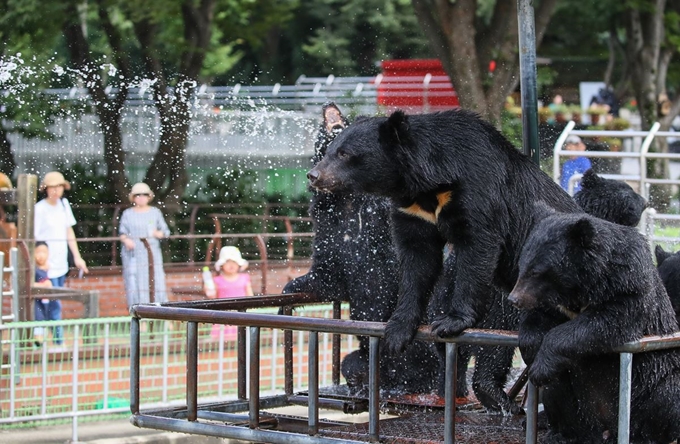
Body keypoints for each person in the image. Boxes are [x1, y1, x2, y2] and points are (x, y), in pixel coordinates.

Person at [34, 171, 89, 345]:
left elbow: (68, 231)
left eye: (59, 187)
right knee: (46, 301)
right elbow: (34, 237)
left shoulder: (64, 205)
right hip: (43, 264)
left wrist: (77, 256)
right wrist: (41, 259)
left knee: (55, 300)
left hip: (60, 262)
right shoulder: (40, 208)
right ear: (46, 189)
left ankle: (53, 338)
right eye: (52, 187)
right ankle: (49, 339)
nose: (56, 191)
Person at [119, 183, 171, 308]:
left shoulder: (155, 212)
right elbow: (122, 233)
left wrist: (157, 233)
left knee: (156, 281)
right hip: (133, 255)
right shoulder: (127, 214)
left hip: (152, 253)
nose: (141, 197)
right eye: (138, 195)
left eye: (144, 194)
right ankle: (139, 312)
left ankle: (161, 312)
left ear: (149, 197)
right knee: (134, 283)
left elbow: (166, 232)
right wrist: (127, 240)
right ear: (133, 197)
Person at [204, 246, 254, 340]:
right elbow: (213, 296)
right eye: (228, 262)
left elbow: (250, 296)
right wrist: (209, 290)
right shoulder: (216, 280)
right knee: (221, 343)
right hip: (223, 316)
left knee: (242, 340)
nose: (231, 265)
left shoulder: (245, 278)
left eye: (234, 262)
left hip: (241, 315)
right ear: (222, 264)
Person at [33, 241, 54, 346]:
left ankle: (41, 343)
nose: (41, 255)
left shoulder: (48, 269)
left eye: (44, 252)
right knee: (38, 318)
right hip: (36, 301)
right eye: (38, 252)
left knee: (44, 318)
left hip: (45, 300)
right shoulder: (33, 270)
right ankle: (37, 342)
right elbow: (28, 285)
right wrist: (43, 285)